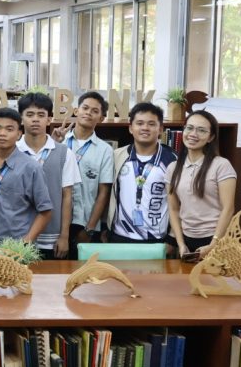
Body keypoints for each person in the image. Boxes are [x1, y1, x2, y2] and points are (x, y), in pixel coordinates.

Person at [0, 108, 52, 247]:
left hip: (16, 246)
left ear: (19, 134)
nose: (2, 133)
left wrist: (25, 243)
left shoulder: (31, 168)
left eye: (9, 129)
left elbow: (45, 211)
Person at [16, 92, 81, 259]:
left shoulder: (64, 153)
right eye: (30, 114)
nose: (35, 119)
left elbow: (67, 196)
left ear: (49, 120)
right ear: (21, 119)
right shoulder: (12, 151)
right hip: (17, 235)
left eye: (41, 115)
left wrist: (64, 236)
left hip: (51, 238)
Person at [166, 110, 236, 260]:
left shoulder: (221, 165)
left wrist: (213, 244)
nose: (193, 134)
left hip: (216, 239)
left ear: (211, 137)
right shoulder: (173, 168)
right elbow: (173, 209)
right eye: (189, 128)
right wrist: (181, 244)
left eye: (201, 130)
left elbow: (228, 208)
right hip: (187, 240)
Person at [51, 91, 115, 257]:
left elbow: (104, 192)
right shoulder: (59, 141)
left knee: (83, 270)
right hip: (54, 220)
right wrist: (53, 144)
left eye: (95, 111)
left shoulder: (105, 150)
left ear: (101, 118)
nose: (88, 113)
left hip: (85, 222)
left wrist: (90, 229)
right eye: (85, 108)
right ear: (76, 111)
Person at [107, 102, 177, 244]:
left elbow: (180, 202)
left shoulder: (172, 160)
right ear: (131, 128)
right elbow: (108, 192)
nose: (145, 128)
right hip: (119, 236)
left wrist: (172, 238)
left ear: (161, 129)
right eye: (139, 123)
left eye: (151, 124)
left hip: (157, 239)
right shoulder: (117, 156)